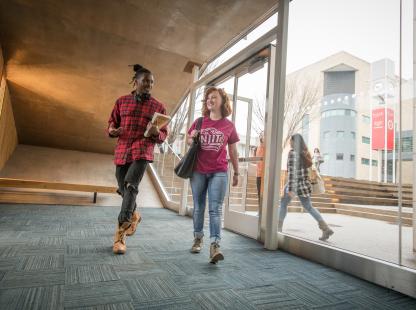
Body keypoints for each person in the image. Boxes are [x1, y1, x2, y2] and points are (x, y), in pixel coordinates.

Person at [108, 64, 168, 254]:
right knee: (123, 189)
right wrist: (112, 131)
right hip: (122, 150)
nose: (149, 85)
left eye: (152, 82)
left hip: (142, 150)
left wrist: (156, 133)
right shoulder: (121, 101)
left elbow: (163, 135)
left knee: (131, 186)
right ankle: (134, 214)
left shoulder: (158, 106)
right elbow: (111, 123)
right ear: (136, 82)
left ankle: (120, 236)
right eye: (145, 81)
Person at [187, 87, 239, 264]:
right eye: (208, 98)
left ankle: (215, 245)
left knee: (215, 208)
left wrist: (237, 172)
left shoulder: (228, 125)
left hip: (219, 171)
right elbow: (188, 139)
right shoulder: (200, 121)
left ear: (223, 101)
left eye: (214, 97)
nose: (210, 100)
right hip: (198, 170)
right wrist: (193, 136)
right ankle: (198, 238)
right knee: (198, 206)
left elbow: (233, 150)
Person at [278, 134, 333, 241]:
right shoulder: (305, 153)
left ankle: (278, 228)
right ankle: (325, 228)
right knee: (309, 207)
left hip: (294, 184)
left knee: (283, 203)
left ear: (295, 142)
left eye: (291, 141)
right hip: (304, 185)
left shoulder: (292, 153)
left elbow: (292, 173)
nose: (290, 143)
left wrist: (290, 188)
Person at [254, 132, 265, 204]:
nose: (262, 137)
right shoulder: (257, 148)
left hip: (265, 175)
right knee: (259, 195)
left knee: (264, 195)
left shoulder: (267, 148)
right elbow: (256, 161)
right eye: (261, 136)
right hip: (259, 175)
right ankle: (260, 210)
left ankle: (263, 211)